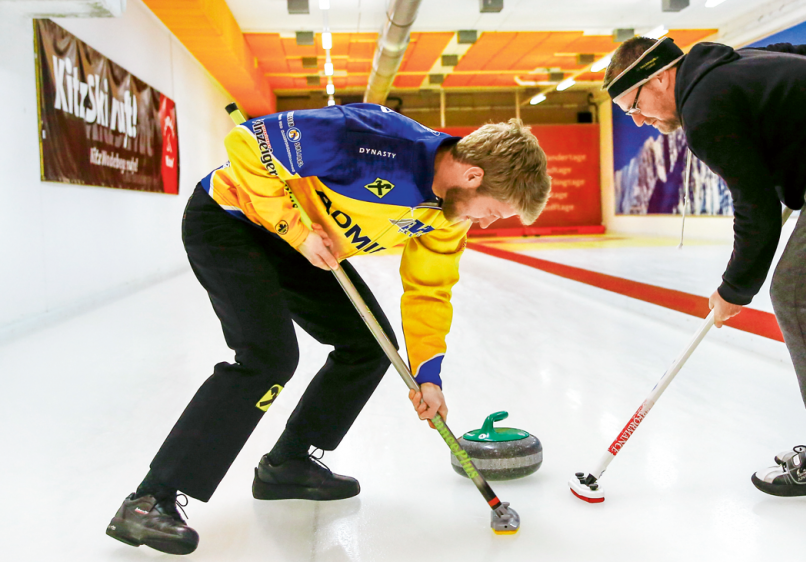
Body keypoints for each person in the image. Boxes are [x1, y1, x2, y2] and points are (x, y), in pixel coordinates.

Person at [106, 103, 550, 555]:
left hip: (300, 244)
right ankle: (149, 499)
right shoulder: (370, 137)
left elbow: (428, 293)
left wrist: (428, 376)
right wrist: (295, 230)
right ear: (473, 176)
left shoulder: (446, 217)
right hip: (231, 221)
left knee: (369, 345)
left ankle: (288, 464)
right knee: (268, 359)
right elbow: (246, 144)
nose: (487, 222)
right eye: (494, 211)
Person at [603, 36, 806, 497]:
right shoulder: (728, 67)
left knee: (798, 296)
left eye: (633, 104)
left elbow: (756, 209)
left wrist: (734, 289)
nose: (638, 120)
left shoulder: (706, 110)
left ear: (659, 76)